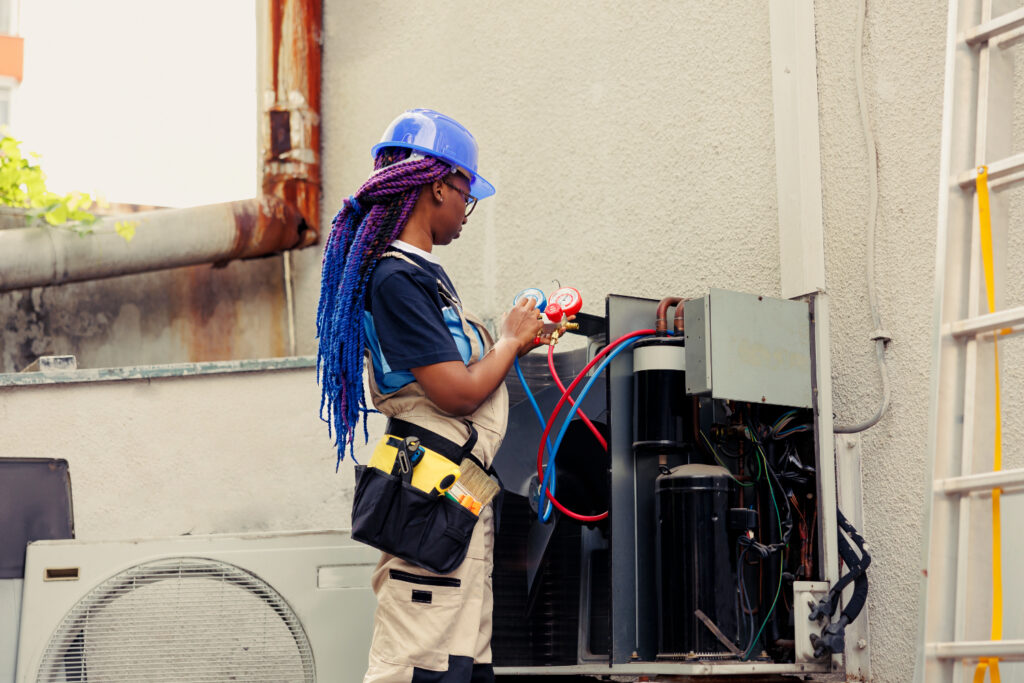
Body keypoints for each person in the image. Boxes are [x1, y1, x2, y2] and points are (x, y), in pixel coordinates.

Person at [316, 108, 546, 683]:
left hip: (458, 489)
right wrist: (512, 342)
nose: (467, 211)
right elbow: (456, 392)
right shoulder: (395, 278)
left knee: (461, 663)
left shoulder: (422, 274)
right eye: (466, 194)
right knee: (418, 666)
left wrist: (520, 340)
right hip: (432, 490)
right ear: (437, 185)